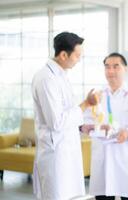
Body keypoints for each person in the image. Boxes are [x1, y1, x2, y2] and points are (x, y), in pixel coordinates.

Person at [32, 32, 97, 200]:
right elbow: (57, 122)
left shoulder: (61, 76)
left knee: (71, 196)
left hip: (66, 152)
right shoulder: (46, 78)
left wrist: (81, 126)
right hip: (56, 155)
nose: (79, 59)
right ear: (63, 55)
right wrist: (86, 104)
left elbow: (67, 111)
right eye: (77, 55)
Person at [85, 53, 128, 200]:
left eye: (116, 66)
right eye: (107, 67)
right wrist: (96, 128)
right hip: (103, 158)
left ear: (125, 69)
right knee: (103, 196)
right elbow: (85, 122)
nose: (111, 71)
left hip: (126, 159)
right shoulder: (96, 95)